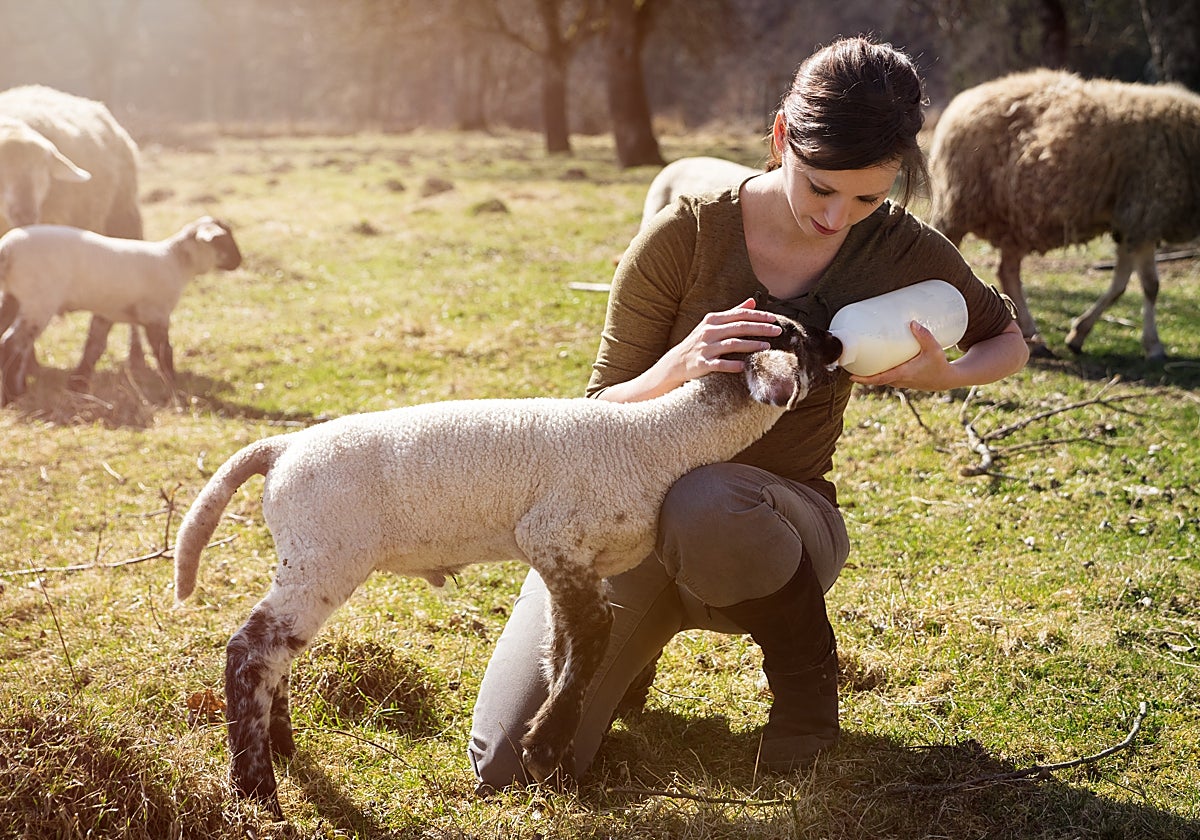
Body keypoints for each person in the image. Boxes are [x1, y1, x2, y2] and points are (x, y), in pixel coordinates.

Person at [468, 35, 1029, 789]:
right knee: (510, 767)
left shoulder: (901, 248)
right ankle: (626, 650)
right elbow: (591, 418)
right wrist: (678, 365)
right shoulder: (683, 237)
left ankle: (804, 680)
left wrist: (941, 375)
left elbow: (1010, 340)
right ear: (779, 138)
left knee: (708, 500)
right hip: (624, 527)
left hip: (774, 530)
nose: (837, 218)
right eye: (819, 188)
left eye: (867, 197)